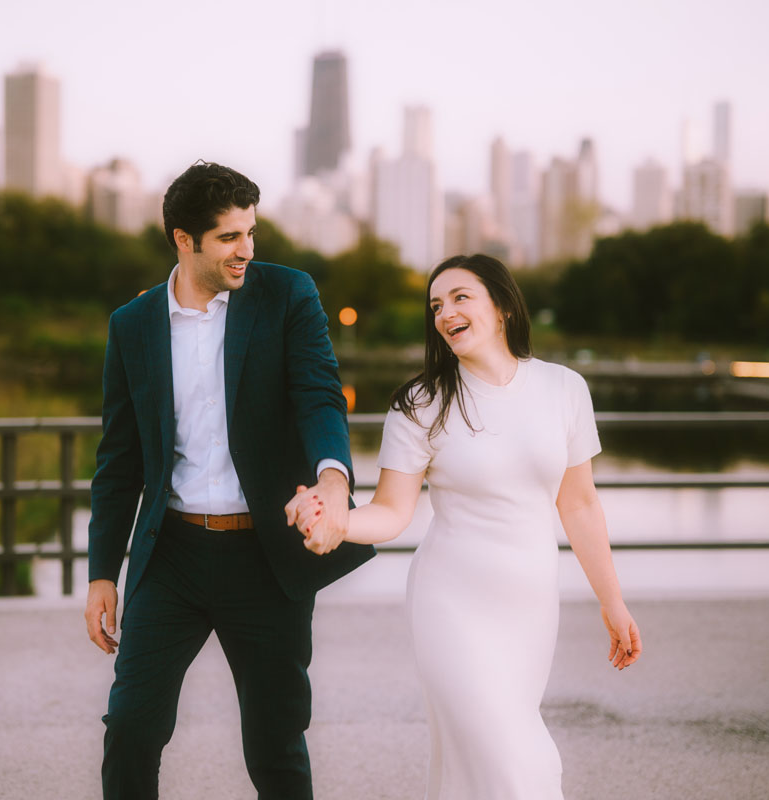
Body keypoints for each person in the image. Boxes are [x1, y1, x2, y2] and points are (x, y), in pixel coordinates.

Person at [287, 254, 642, 799]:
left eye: (459, 297)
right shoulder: (420, 403)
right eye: (435, 304)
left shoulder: (564, 389)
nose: (444, 312)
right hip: (450, 604)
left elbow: (580, 505)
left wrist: (612, 602)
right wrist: (334, 521)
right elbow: (391, 511)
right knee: (524, 764)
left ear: (501, 307)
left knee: (480, 767)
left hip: (529, 606)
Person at [84, 161, 374, 799]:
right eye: (228, 237)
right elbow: (119, 459)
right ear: (183, 241)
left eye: (251, 232)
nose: (247, 249)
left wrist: (332, 478)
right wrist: (103, 572)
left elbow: (320, 395)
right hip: (173, 556)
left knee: (275, 745)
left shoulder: (287, 293)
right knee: (131, 726)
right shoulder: (131, 326)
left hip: (264, 557)